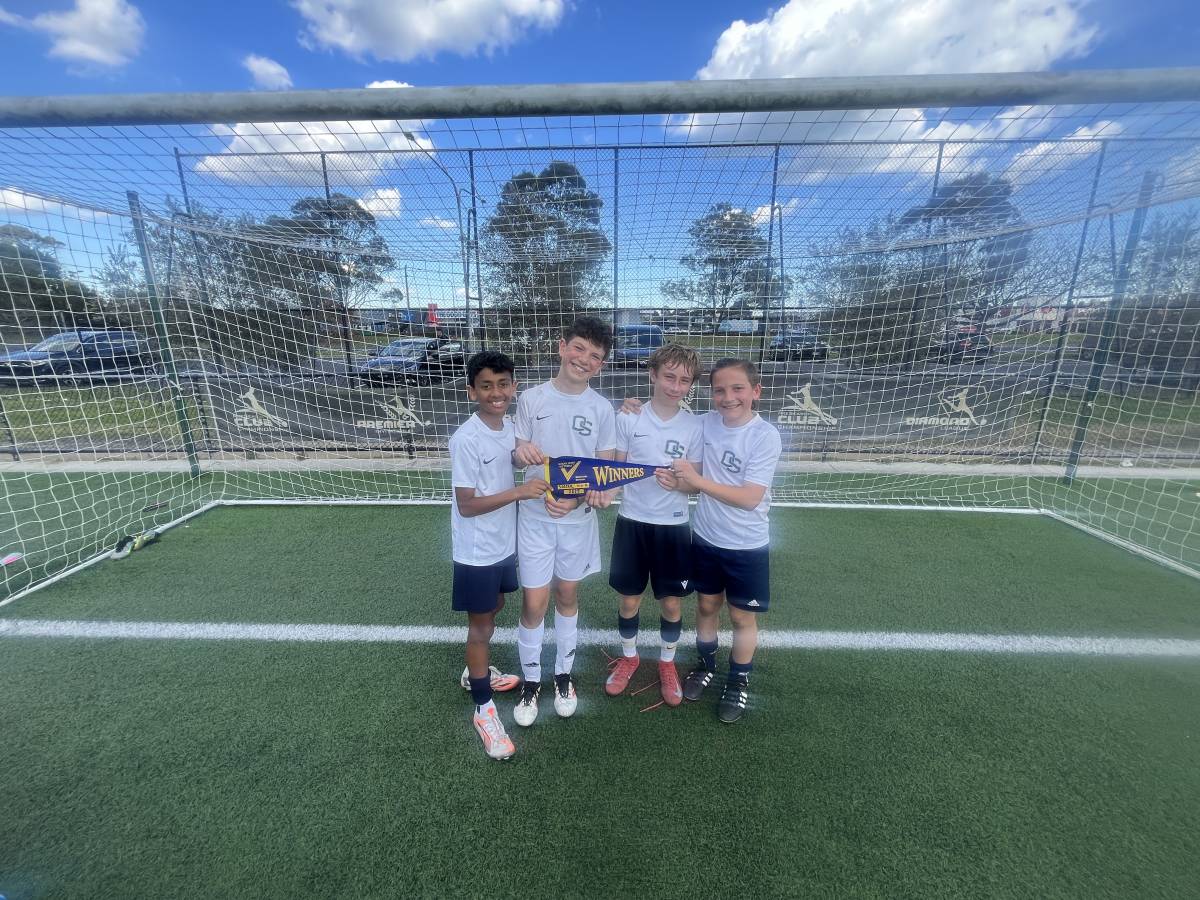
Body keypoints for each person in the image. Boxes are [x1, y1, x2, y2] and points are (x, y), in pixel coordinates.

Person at [512, 316, 617, 726]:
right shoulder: (531, 399)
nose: (584, 359)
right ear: (561, 347)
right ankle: (531, 681)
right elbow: (518, 452)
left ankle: (563, 676)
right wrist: (520, 454)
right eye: (579, 348)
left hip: (576, 522)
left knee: (567, 595)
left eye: (595, 356)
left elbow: (604, 472)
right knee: (533, 602)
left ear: (601, 365)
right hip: (534, 519)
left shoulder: (601, 409)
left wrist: (574, 501)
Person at [668, 358, 782, 724]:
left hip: (746, 545)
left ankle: (737, 680)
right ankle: (705, 665)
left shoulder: (764, 435)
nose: (728, 397)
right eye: (719, 390)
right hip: (706, 538)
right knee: (706, 606)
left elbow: (749, 498)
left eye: (737, 389)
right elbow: (670, 418)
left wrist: (696, 482)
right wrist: (631, 408)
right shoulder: (706, 423)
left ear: (755, 391)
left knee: (740, 615)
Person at [450, 350, 549, 759]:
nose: (496, 393)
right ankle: (483, 708)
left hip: (504, 545)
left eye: (503, 384)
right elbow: (467, 505)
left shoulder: (509, 428)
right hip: (477, 551)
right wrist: (520, 491)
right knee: (480, 626)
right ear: (472, 391)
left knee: (495, 608)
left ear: (513, 387)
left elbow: (514, 457)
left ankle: (476, 673)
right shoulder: (466, 439)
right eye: (486, 386)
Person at [605, 343, 703, 707]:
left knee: (672, 605)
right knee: (629, 600)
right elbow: (615, 470)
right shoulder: (629, 417)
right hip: (632, 522)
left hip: (673, 528)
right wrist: (602, 492)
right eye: (669, 377)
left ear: (691, 385)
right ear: (653, 375)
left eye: (684, 380)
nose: (675, 386)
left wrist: (679, 484)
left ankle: (666, 663)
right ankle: (629, 657)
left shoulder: (694, 426)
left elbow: (696, 483)